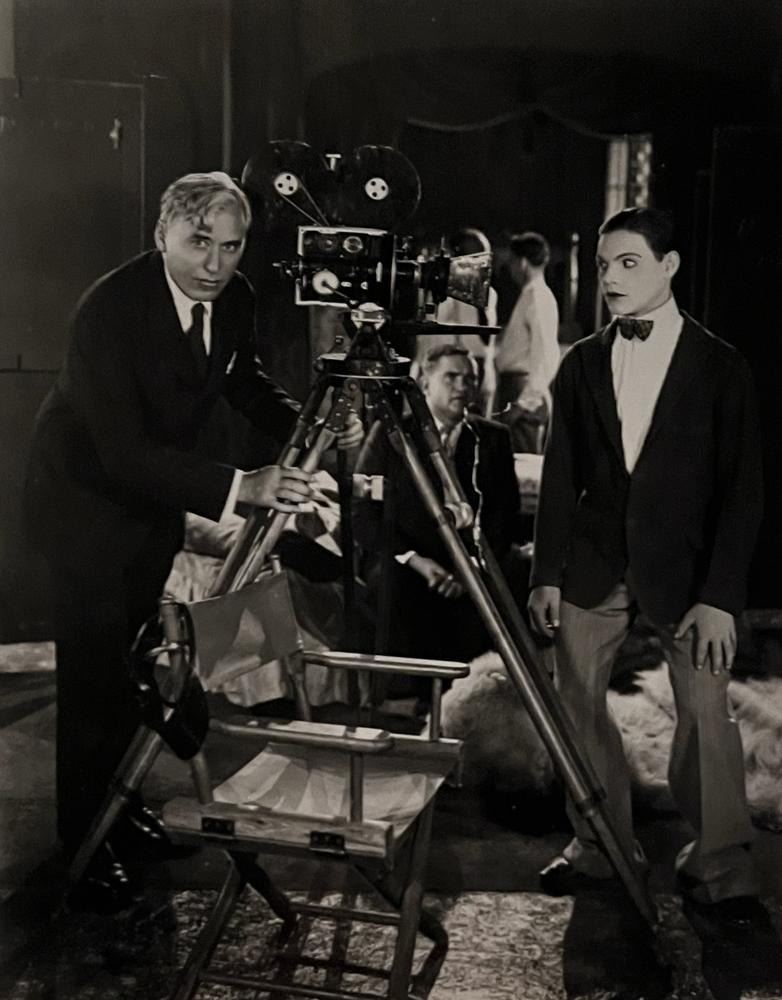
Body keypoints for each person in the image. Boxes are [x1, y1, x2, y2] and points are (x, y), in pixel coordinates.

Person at [24, 171, 362, 912]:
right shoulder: (109, 311)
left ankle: (122, 811)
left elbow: (243, 380)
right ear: (163, 235)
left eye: (231, 247)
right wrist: (244, 484)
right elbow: (121, 452)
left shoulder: (234, 298)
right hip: (83, 508)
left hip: (150, 504)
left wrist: (308, 423)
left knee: (133, 668)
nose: (214, 263)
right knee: (92, 685)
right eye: (199, 242)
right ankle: (83, 844)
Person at [527, 206, 766, 932]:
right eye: (604, 265)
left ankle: (721, 863)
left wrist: (721, 597)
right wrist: (546, 575)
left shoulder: (721, 367)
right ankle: (599, 846)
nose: (610, 278)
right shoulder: (581, 363)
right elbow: (560, 476)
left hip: (689, 576)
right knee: (576, 705)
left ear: (669, 266)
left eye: (628, 262)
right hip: (592, 565)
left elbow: (743, 493)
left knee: (706, 714)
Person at [354, 344, 520, 667]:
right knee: (392, 587)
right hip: (407, 561)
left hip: (472, 562)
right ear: (425, 383)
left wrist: (471, 566)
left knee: (504, 586)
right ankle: (409, 688)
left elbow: (505, 518)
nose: (462, 387)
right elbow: (362, 515)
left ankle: (471, 687)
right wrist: (416, 561)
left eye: (470, 379)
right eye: (451, 377)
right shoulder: (391, 435)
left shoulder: (493, 439)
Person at [494, 231, 560, 451]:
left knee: (523, 463)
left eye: (512, 263)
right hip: (516, 390)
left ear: (522, 263)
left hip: (523, 393)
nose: (511, 269)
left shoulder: (537, 296)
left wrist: (523, 404)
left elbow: (546, 356)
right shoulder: (531, 295)